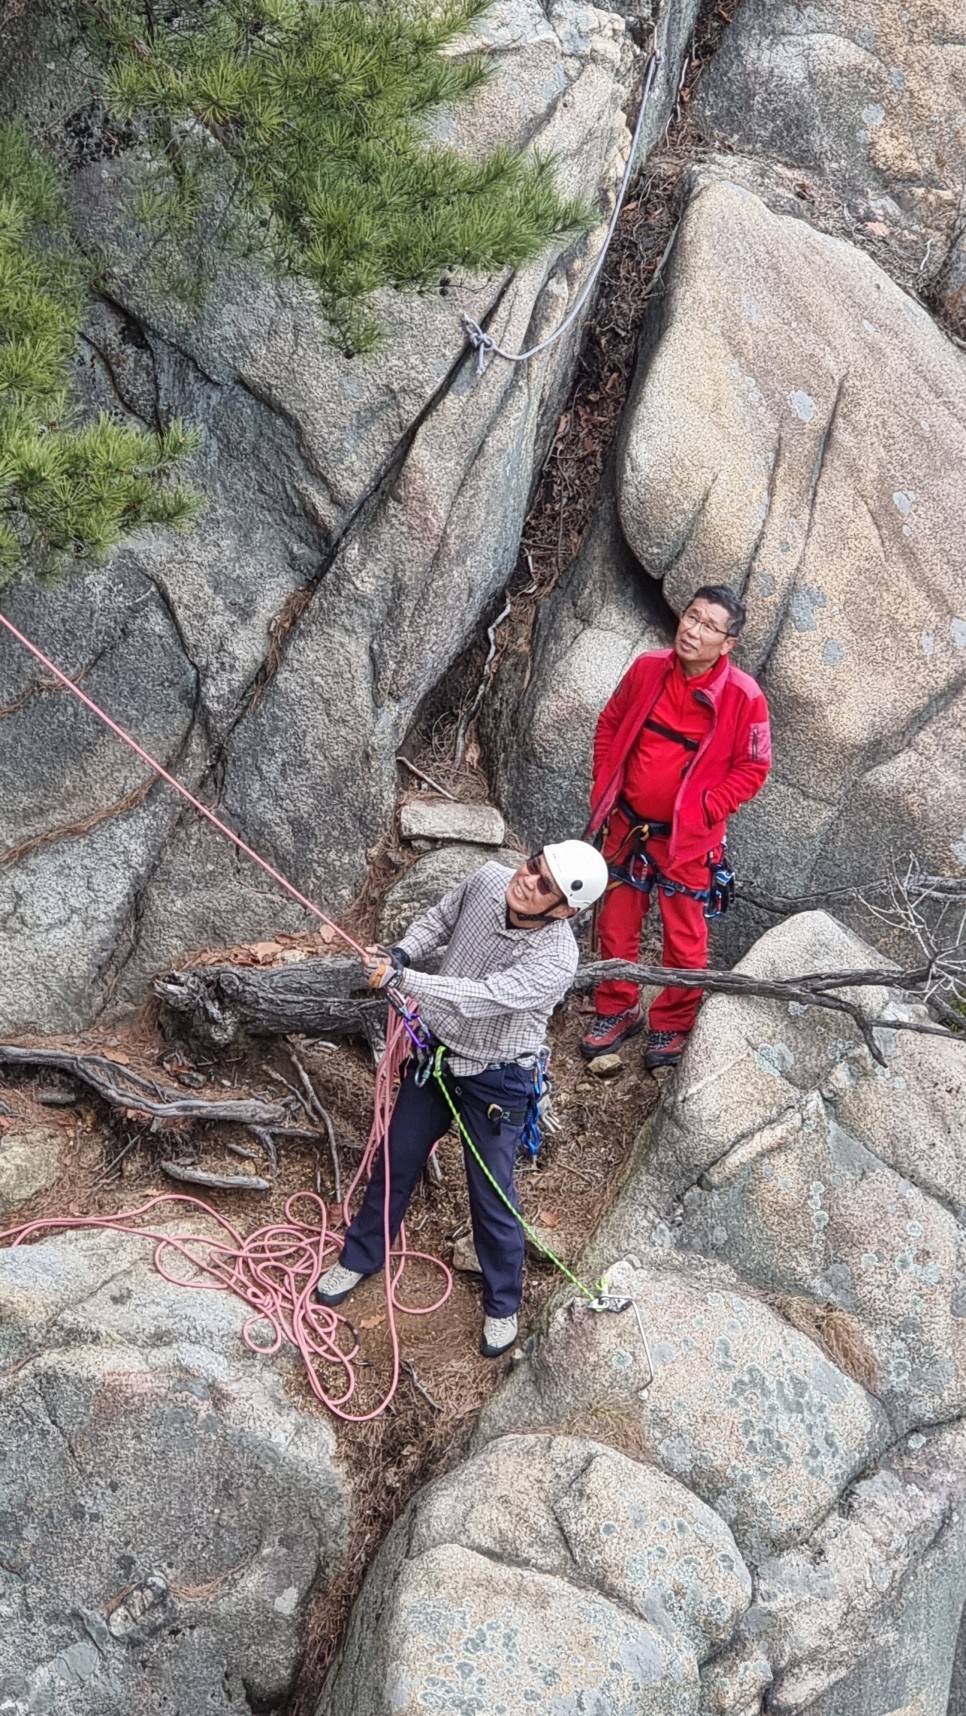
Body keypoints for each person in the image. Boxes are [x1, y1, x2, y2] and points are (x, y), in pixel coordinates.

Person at [315, 841, 609, 1358]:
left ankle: (503, 1304)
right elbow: (440, 919)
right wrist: (403, 951)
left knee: (492, 1196)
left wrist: (406, 980)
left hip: (497, 1080)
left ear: (566, 910)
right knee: (396, 1160)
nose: (528, 880)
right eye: (534, 865)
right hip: (437, 1057)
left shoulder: (556, 959)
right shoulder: (489, 879)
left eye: (545, 886)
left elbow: (484, 999)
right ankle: (361, 1256)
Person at [581, 585, 771, 1070]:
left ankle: (673, 1023)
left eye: (710, 626)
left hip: (689, 842)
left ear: (728, 643)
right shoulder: (648, 669)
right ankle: (615, 1008)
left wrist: (709, 806)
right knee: (615, 924)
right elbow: (611, 722)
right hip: (627, 826)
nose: (694, 630)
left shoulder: (744, 697)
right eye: (692, 617)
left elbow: (754, 767)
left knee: (684, 937)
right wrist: (607, 782)